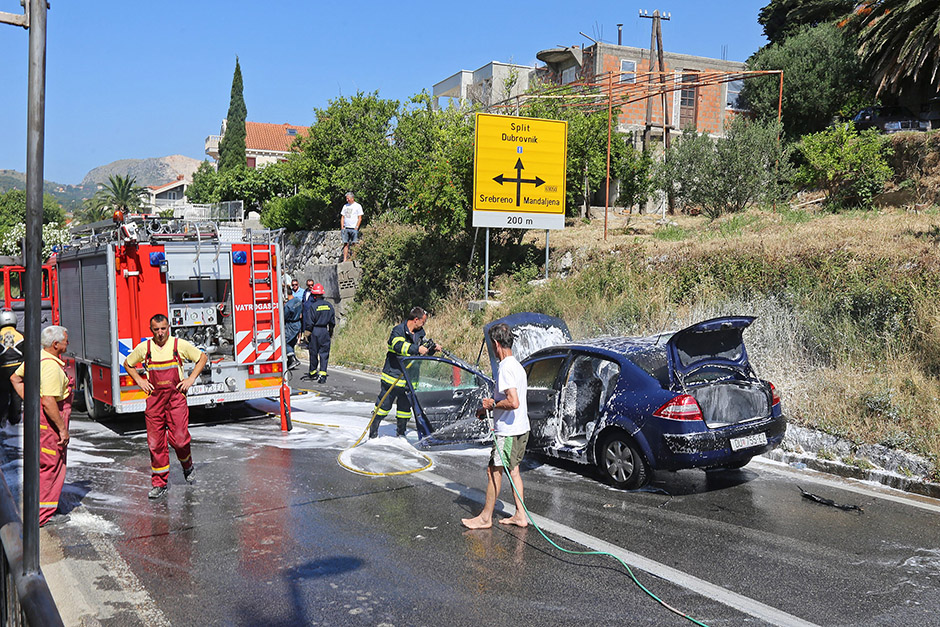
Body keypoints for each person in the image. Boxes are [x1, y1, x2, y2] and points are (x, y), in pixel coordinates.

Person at [124, 314, 208, 499]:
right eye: (156, 329)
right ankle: (159, 484)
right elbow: (128, 364)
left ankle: (187, 465)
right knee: (155, 444)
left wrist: (191, 379)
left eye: (163, 328)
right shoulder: (145, 348)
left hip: (176, 400)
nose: (160, 333)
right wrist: (139, 380)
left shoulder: (178, 345)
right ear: (151, 330)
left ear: (168, 327)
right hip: (155, 402)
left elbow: (202, 357)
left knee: (180, 440)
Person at [461, 323, 529, 529]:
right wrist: (487, 410)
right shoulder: (517, 366)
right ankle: (520, 515)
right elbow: (509, 400)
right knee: (514, 471)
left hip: (508, 432)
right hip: (520, 428)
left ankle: (485, 518)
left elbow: (513, 402)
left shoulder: (506, 367)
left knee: (493, 472)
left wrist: (491, 404)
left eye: (492, 344)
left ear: (496, 344)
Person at [10, 325, 73, 526]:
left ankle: (46, 505)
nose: (68, 343)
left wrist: (31, 400)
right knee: (51, 465)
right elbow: (48, 401)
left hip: (40, 419)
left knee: (46, 463)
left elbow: (15, 378)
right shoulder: (51, 367)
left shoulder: (37, 358)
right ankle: (43, 514)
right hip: (50, 421)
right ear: (55, 344)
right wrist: (62, 429)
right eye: (65, 340)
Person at [369, 307, 440, 439]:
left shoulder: (420, 333)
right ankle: (373, 433)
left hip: (409, 380)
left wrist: (432, 349)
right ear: (416, 319)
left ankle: (401, 434)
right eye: (423, 321)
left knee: (404, 410)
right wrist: (417, 349)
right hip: (393, 377)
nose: (424, 324)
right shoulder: (398, 331)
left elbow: (422, 351)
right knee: (383, 407)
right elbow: (397, 346)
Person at [302, 283, 335, 383]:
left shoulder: (313, 306)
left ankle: (313, 372)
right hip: (325, 331)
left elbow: (309, 322)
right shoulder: (329, 306)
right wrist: (330, 332)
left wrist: (307, 334)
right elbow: (332, 322)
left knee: (313, 352)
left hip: (315, 331)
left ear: (314, 295)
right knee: (324, 353)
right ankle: (323, 374)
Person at [0, 310, 24, 426]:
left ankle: (1, 417)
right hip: (18, 369)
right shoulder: (22, 335)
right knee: (16, 395)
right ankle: (14, 418)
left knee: (2, 394)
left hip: (2, 370)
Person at [340, 192, 363, 262]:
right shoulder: (345, 206)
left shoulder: (358, 206)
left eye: (348, 198)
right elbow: (342, 217)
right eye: (346, 198)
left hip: (354, 228)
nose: (347, 200)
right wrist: (342, 227)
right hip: (346, 228)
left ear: (352, 198)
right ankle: (345, 259)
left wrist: (356, 227)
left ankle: (353, 258)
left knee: (354, 243)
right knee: (345, 243)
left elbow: (360, 218)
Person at [283, 291, 303, 370]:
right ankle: (290, 362)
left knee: (284, 342)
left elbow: (284, 316)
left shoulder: (288, 305)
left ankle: (293, 359)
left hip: (291, 325)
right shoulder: (298, 300)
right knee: (291, 342)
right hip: (298, 323)